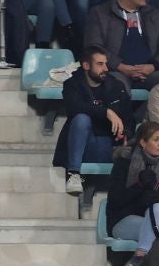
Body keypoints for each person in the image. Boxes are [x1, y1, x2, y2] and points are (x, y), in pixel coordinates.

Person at [55, 47, 131, 196]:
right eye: (100, 64)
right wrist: (106, 112)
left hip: (108, 144)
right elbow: (74, 107)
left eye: (106, 64)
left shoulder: (117, 86)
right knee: (81, 118)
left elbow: (129, 117)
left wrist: (126, 133)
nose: (105, 68)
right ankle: (74, 174)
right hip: (83, 145)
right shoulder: (72, 84)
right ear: (86, 66)